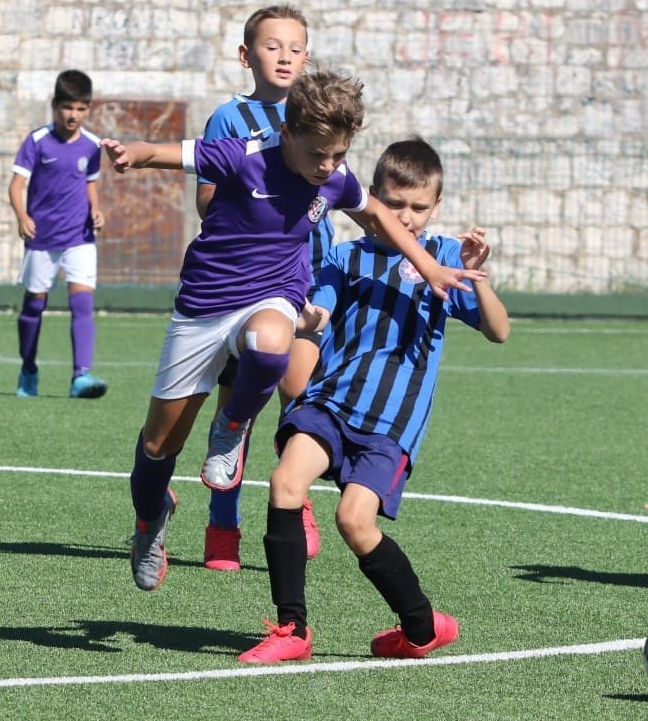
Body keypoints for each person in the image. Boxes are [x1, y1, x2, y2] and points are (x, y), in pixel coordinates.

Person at [101, 70, 485, 593]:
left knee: (273, 342)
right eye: (317, 154)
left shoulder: (334, 177)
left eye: (338, 155)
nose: (327, 166)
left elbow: (378, 216)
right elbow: (163, 152)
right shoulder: (242, 155)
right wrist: (132, 154)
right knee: (157, 446)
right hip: (204, 307)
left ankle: (232, 426)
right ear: (287, 133)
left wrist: (430, 266)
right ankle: (151, 519)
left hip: (274, 296)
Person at [238, 136, 510, 664]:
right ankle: (293, 629)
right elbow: (317, 315)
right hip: (329, 403)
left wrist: (479, 278)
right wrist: (287, 311)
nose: (405, 217)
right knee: (285, 482)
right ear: (373, 198)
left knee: (354, 521)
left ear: (436, 207)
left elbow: (499, 331)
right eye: (394, 204)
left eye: (419, 207)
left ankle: (420, 626)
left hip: (390, 424)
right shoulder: (346, 256)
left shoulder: (444, 259)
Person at [197, 4, 322, 573]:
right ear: (247, 56)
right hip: (244, 286)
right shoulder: (230, 118)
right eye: (273, 47)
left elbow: (336, 193)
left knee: (299, 396)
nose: (285, 57)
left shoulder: (318, 116)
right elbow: (207, 199)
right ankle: (222, 526)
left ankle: (295, 500)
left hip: (302, 282)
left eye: (295, 48)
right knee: (238, 409)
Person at [9, 69, 108, 400]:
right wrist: (22, 216)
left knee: (82, 304)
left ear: (88, 108)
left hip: (80, 237)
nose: (73, 115)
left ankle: (81, 376)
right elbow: (16, 185)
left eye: (80, 108)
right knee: (33, 308)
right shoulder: (37, 141)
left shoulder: (92, 145)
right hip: (42, 237)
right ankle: (28, 369)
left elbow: (90, 184)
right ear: (55, 106)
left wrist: (96, 210)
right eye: (68, 107)